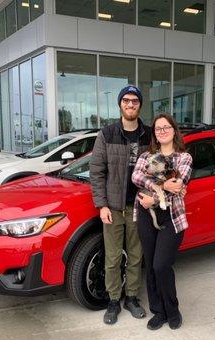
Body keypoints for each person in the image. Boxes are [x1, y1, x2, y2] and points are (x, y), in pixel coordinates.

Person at [89, 85, 151, 325]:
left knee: (136, 256)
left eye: (134, 101)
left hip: (139, 207)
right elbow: (96, 172)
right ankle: (114, 300)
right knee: (113, 258)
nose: (130, 104)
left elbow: (157, 167)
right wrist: (101, 205)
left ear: (139, 105)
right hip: (113, 208)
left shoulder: (148, 135)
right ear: (120, 104)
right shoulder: (107, 134)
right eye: (126, 100)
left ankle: (132, 297)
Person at [132, 113, 193, 330]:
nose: (162, 131)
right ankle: (158, 311)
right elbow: (136, 177)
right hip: (145, 217)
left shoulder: (184, 158)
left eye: (166, 127)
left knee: (161, 265)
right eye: (158, 128)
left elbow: (179, 185)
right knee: (150, 266)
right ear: (155, 134)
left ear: (174, 130)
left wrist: (154, 198)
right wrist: (164, 186)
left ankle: (172, 310)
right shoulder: (146, 155)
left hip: (172, 217)